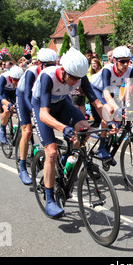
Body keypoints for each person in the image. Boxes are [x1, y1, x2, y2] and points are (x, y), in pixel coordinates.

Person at [31, 48, 91, 218]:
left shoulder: (78, 76)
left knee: (85, 129)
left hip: (62, 104)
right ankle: (50, 200)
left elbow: (95, 100)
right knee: (51, 152)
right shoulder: (47, 76)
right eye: (72, 78)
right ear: (63, 70)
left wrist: (109, 120)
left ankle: (66, 165)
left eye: (79, 78)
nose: (75, 82)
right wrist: (63, 128)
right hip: (42, 108)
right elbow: (43, 114)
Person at [16, 48, 58, 185]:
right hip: (24, 97)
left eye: (54, 65)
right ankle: (22, 167)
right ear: (40, 64)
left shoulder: (53, 74)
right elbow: (27, 96)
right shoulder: (31, 72)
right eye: (48, 65)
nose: (51, 68)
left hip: (39, 98)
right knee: (27, 131)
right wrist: (34, 113)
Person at [101, 46, 133, 149]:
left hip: (112, 92)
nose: (126, 64)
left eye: (128, 61)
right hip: (100, 91)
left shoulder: (129, 70)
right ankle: (102, 147)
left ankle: (111, 139)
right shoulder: (107, 69)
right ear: (115, 60)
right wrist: (117, 109)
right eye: (122, 61)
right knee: (110, 110)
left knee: (118, 118)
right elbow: (106, 93)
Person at [0, 65, 24, 144]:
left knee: (20, 109)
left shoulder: (23, 78)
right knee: (7, 111)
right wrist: (7, 104)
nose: (16, 82)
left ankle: (18, 127)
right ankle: (2, 129)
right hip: (4, 92)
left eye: (18, 80)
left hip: (14, 92)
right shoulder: (4, 77)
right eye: (14, 80)